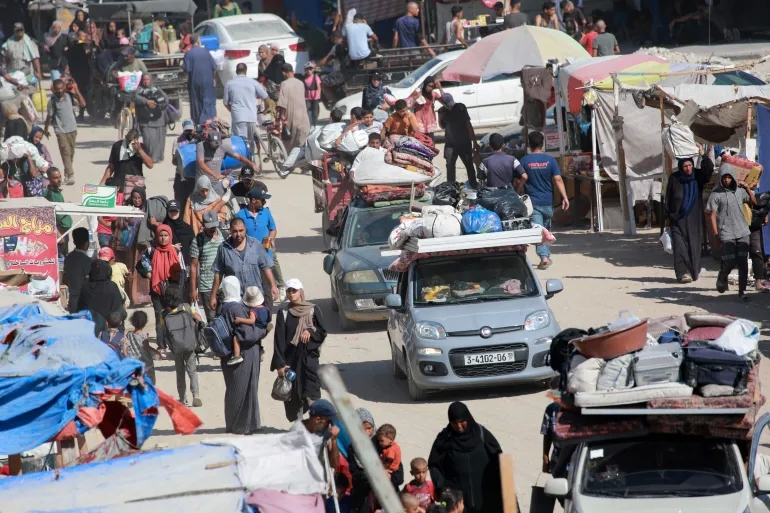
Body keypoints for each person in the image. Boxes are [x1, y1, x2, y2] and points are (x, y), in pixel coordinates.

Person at [428, 402, 503, 513]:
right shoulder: (444, 439)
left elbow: (498, 458)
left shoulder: (481, 434)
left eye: (462, 421)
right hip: (459, 501)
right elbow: (434, 464)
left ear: (468, 418)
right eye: (454, 423)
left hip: (486, 496)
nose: (458, 426)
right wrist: (442, 487)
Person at [271, 278, 327, 422]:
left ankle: (316, 425)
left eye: (294, 291)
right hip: (291, 362)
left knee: (312, 393)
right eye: (289, 291)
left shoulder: (313, 309)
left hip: (309, 361)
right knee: (293, 397)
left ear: (300, 292)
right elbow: (279, 339)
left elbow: (322, 332)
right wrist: (280, 364)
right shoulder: (284, 312)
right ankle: (298, 427)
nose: (291, 294)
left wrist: (310, 331)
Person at [219, 275, 267, 433]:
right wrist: (263, 330)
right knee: (245, 389)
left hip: (228, 355)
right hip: (245, 354)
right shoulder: (237, 308)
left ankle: (233, 425)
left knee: (233, 388)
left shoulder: (222, 306)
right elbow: (246, 334)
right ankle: (244, 426)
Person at [519, 131, 568, 269]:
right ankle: (545, 257)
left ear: (529, 144)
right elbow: (558, 179)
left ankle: (544, 257)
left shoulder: (524, 161)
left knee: (540, 231)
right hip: (548, 201)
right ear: (543, 143)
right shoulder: (550, 160)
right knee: (544, 229)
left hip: (533, 202)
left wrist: (518, 191)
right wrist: (564, 197)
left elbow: (521, 179)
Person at [706, 166, 756, 300]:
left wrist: (747, 188)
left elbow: (753, 201)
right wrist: (715, 235)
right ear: (721, 178)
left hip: (742, 230)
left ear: (733, 177)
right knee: (730, 261)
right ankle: (723, 275)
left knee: (743, 262)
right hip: (726, 231)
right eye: (724, 177)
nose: (727, 180)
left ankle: (741, 293)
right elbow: (712, 215)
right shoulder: (716, 193)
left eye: (729, 177)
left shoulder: (739, 191)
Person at [210, 217, 279, 314]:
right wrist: (213, 296)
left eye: (241, 230)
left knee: (259, 325)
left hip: (255, 297)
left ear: (245, 229)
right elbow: (218, 273)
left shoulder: (255, 245)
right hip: (236, 300)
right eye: (235, 231)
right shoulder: (223, 248)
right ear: (230, 231)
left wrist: (273, 285)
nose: (238, 234)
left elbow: (266, 267)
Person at [664, 155, 713, 284]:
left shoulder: (697, 177)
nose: (688, 169)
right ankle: (682, 274)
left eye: (690, 165)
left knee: (694, 247)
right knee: (680, 247)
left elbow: (709, 169)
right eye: (685, 166)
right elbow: (668, 198)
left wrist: (703, 154)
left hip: (694, 220)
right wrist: (668, 217)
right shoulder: (674, 178)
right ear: (681, 167)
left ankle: (693, 272)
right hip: (677, 219)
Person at [142, 224, 187, 353]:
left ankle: (174, 343)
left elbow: (182, 271)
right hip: (157, 289)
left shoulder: (176, 251)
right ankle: (161, 345)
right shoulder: (151, 251)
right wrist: (148, 273)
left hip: (173, 289)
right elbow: (140, 266)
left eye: (166, 235)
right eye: (160, 236)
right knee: (159, 316)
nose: (163, 238)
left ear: (170, 236)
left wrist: (180, 289)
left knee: (174, 316)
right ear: (157, 237)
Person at [161, 282, 202, 406]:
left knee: (180, 372)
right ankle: (196, 394)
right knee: (192, 370)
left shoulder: (164, 314)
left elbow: (164, 331)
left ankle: (183, 398)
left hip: (176, 347)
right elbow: (199, 318)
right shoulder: (186, 307)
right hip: (190, 344)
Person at [44, 78, 85, 186]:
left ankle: (67, 172)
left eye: (61, 88)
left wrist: (76, 91)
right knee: (65, 152)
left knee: (70, 152)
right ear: (53, 89)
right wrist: (46, 129)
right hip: (60, 130)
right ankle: (70, 175)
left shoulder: (69, 96)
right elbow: (49, 116)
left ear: (64, 88)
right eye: (57, 89)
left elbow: (82, 103)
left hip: (72, 129)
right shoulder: (52, 101)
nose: (59, 91)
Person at [224, 62, 268, 155]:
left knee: (241, 142)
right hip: (251, 117)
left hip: (239, 117)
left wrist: (233, 111)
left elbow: (226, 103)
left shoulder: (229, 84)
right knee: (250, 140)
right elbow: (265, 97)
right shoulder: (253, 82)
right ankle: (251, 162)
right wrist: (266, 109)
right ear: (246, 71)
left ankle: (246, 164)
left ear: (236, 71)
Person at [437, 93, 479, 189]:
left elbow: (468, 125)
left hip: (464, 142)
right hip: (450, 144)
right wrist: (440, 118)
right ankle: (451, 188)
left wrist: (475, 142)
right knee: (450, 166)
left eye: (450, 104)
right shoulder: (442, 111)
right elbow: (443, 126)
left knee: (469, 165)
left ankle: (474, 186)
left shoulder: (460, 108)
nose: (449, 106)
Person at [189, 210, 224, 322]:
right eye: (209, 227)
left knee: (225, 318)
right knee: (213, 320)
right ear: (203, 225)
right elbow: (193, 266)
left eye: (214, 226)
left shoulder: (224, 237)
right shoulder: (197, 241)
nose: (212, 229)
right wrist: (193, 289)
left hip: (224, 286)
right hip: (206, 286)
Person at [78, 259, 126, 335]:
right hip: (111, 335)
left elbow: (80, 309)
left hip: (91, 332)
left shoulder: (85, 287)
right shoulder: (112, 286)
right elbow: (119, 311)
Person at [229, 285, 271, 365]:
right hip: (263, 328)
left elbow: (251, 321)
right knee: (258, 339)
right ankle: (260, 348)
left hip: (256, 329)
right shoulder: (265, 308)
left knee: (236, 337)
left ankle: (237, 356)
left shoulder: (253, 310)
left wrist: (239, 320)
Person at [133, 74, 169, 162]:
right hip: (146, 121)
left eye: (148, 79)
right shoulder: (139, 89)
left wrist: (159, 103)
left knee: (160, 140)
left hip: (159, 120)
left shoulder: (157, 88)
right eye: (144, 80)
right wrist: (146, 101)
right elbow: (135, 97)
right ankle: (150, 157)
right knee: (149, 139)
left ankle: (159, 157)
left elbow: (166, 99)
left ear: (151, 80)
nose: (146, 81)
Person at [183, 34, 218, 124]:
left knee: (196, 103)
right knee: (208, 102)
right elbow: (214, 67)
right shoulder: (206, 52)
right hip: (208, 81)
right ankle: (210, 123)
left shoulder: (188, 54)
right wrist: (213, 79)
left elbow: (187, 69)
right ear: (198, 41)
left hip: (194, 82)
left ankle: (199, 123)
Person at [277, 63, 311, 152]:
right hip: (303, 117)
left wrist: (282, 117)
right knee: (302, 143)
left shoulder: (284, 84)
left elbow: (282, 103)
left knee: (290, 145)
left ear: (284, 73)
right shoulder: (301, 83)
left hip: (291, 118)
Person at [124, 310, 159, 383]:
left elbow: (125, 348)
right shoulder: (144, 336)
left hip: (134, 365)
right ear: (145, 322)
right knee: (149, 382)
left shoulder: (129, 334)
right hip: (146, 364)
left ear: (132, 321)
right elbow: (147, 347)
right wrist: (156, 352)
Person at [43, 168, 72, 256]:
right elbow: (47, 216)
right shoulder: (49, 194)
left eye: (60, 177)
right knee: (59, 258)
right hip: (59, 232)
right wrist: (57, 233)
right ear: (49, 179)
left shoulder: (56, 192)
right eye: (56, 178)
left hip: (64, 231)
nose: (59, 180)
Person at [63, 227, 91, 314]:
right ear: (87, 243)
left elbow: (65, 278)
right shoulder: (88, 261)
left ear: (74, 242)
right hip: (84, 301)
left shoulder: (68, 258)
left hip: (72, 300)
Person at [65, 30, 91, 122]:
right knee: (76, 93)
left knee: (83, 93)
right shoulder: (69, 51)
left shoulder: (81, 47)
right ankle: (78, 113)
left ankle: (82, 112)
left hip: (84, 73)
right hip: (76, 74)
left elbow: (89, 55)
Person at [172, 119, 197, 211]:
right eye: (187, 130)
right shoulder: (177, 141)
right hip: (181, 177)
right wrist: (181, 157)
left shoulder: (198, 140)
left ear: (194, 128)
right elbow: (173, 161)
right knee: (180, 203)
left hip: (195, 177)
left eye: (191, 130)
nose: (189, 132)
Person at [303, 62, 322, 127]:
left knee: (315, 112)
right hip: (307, 97)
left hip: (315, 96)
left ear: (313, 69)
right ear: (305, 70)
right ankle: (309, 124)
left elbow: (318, 86)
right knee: (307, 111)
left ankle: (315, 125)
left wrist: (318, 95)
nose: (309, 71)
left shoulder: (315, 77)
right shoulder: (304, 78)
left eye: (310, 69)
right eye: (307, 69)